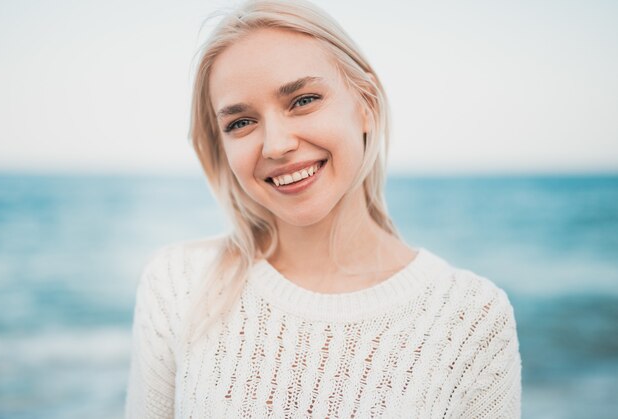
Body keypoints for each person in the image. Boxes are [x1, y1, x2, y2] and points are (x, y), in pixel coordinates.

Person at [124, 0, 522, 417]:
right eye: (240, 123)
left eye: (303, 100)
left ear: (365, 104)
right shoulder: (178, 284)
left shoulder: (470, 318)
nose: (276, 144)